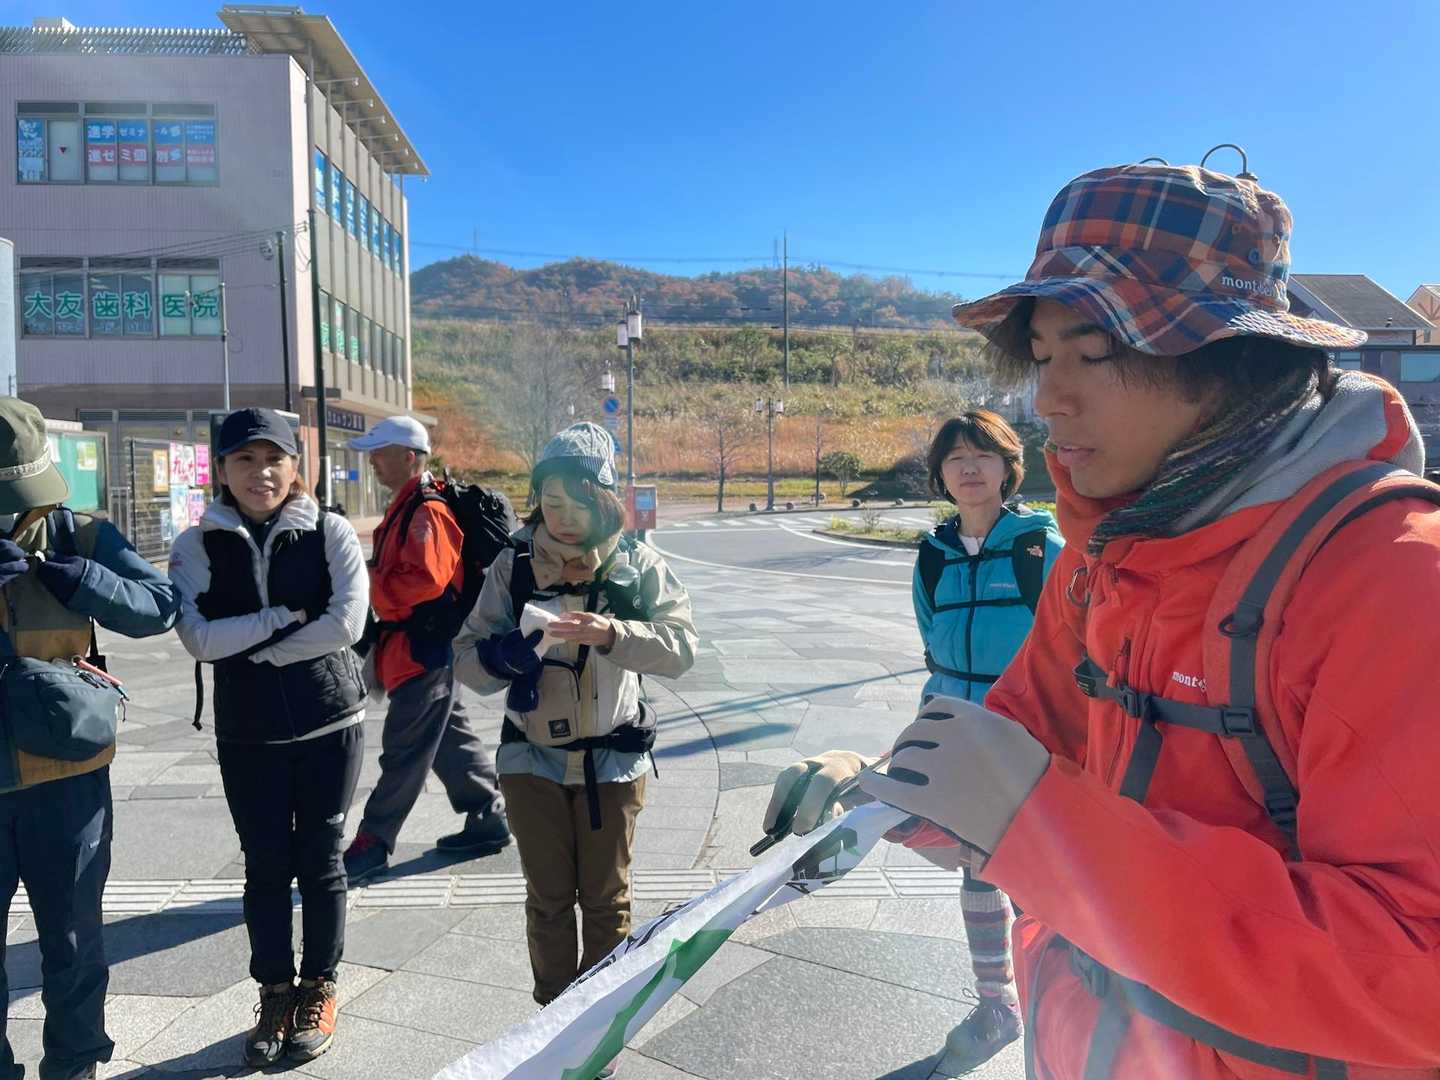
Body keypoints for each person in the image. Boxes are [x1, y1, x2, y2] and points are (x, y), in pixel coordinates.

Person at [768, 163, 1440, 1077]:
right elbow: (1021, 738)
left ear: (1232, 363)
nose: (1048, 399)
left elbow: (1415, 970)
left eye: (1093, 353)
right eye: (1042, 357)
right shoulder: (1106, 555)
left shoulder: (1391, 576)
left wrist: (1044, 828)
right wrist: (888, 789)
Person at [454, 424, 697, 1047]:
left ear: (605, 500)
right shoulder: (513, 566)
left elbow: (682, 648)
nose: (563, 517)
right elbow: (466, 658)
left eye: (579, 503)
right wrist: (504, 656)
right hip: (530, 758)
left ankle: (598, 1027)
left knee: (608, 899)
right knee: (548, 898)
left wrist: (612, 633)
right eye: (552, 501)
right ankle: (552, 1023)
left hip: (612, 761)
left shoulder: (636, 564)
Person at [170, 408, 368, 1068]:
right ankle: (275, 993)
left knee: (322, 858)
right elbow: (199, 640)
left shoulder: (329, 530)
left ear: (296, 465)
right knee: (264, 865)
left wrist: (256, 649)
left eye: (274, 458)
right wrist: (282, 619)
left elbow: (346, 624)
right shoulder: (198, 544)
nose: (261, 473)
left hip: (328, 722)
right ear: (222, 470)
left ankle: (320, 987)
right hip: (248, 733)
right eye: (245, 460)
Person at [0, 398, 180, 1080]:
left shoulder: (78, 534)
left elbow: (160, 604)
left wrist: (89, 583)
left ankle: (75, 1065)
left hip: (68, 780)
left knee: (74, 944)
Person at [913, 410, 1061, 1066]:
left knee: (1035, 874)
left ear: (1008, 468)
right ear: (941, 476)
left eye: (983, 455)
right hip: (956, 734)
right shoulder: (932, 556)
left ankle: (1052, 999)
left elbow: (1073, 642)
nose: (969, 468)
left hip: (1027, 737)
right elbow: (931, 640)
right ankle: (996, 1003)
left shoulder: (1039, 549)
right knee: (975, 870)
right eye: (955, 458)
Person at [343, 415, 512, 880]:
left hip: (424, 649)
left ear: (409, 457)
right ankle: (488, 814)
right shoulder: (413, 504)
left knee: (405, 749)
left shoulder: (426, 510)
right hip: (421, 648)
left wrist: (365, 584)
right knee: (448, 737)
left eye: (380, 453)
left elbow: (425, 581)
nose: (373, 461)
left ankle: (373, 841)